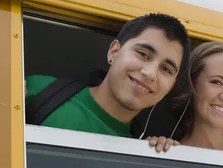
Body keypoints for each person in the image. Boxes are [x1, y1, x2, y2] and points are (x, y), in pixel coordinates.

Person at [25, 13, 190, 138]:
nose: (150, 73)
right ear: (114, 52)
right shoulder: (38, 91)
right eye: (143, 54)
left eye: (166, 69)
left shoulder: (143, 151)